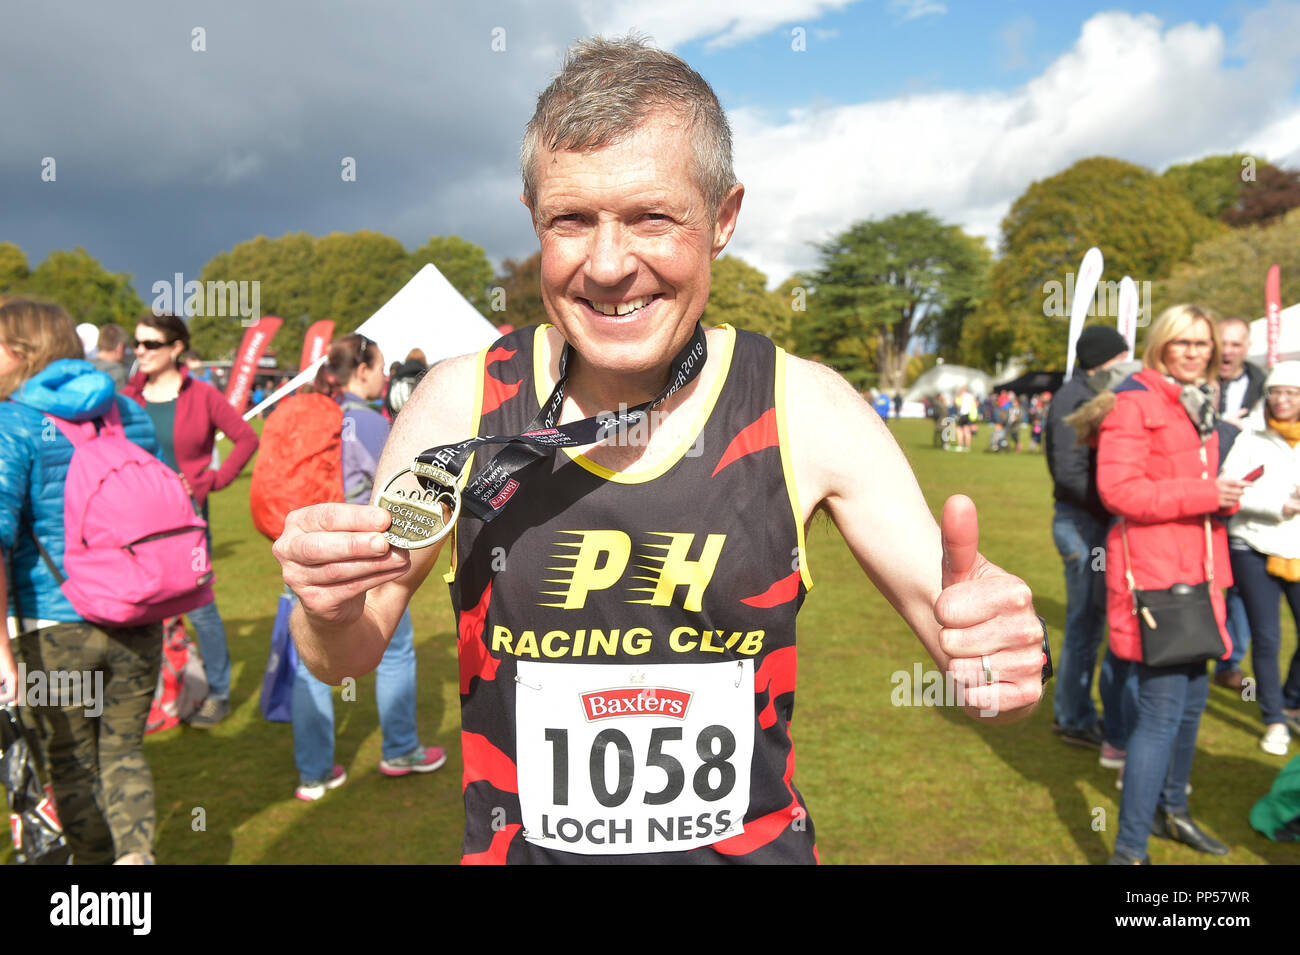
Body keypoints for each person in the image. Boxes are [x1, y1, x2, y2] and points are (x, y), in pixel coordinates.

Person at [273, 36, 1046, 864]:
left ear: (722, 217)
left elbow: (985, 671)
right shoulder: (458, 403)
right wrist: (328, 609)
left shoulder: (805, 408)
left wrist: (1004, 653)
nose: (609, 265)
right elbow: (347, 656)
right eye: (572, 220)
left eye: (651, 216)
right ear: (534, 218)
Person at [0, 296, 163, 863]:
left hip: (52, 622)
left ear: (20, 351)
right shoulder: (126, 409)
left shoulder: (11, 421)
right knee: (123, 753)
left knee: (71, 761)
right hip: (139, 611)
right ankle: (136, 861)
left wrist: (0, 651)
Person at [1097, 304, 1243, 864]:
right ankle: (1130, 851)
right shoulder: (1135, 402)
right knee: (1159, 716)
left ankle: (1173, 812)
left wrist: (1224, 495)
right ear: (1160, 344)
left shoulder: (1196, 403)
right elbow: (1121, 493)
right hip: (1156, 581)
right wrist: (1209, 495)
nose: (1194, 352)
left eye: (1202, 344)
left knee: (1191, 706)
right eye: (1182, 342)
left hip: (1201, 576)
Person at [290, 334, 446, 800]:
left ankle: (314, 772)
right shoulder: (370, 424)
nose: (384, 378)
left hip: (307, 553)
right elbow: (408, 489)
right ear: (360, 371)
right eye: (378, 368)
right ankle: (400, 748)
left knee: (308, 659)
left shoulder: (316, 416)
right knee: (394, 649)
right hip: (365, 559)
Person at [123, 313, 258, 727]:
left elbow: (246, 438)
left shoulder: (201, 395)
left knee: (200, 609)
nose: (140, 352)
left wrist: (210, 480)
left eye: (151, 344)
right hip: (134, 521)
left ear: (176, 348)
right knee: (139, 608)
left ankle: (217, 692)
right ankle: (157, 694)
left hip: (187, 522)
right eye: (137, 344)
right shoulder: (127, 397)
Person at [1045, 326, 1138, 763]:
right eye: (1123, 357)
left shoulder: (1081, 392)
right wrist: (1115, 501)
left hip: (1086, 523)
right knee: (1084, 625)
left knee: (1090, 623)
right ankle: (1074, 717)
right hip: (1082, 526)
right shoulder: (1076, 398)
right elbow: (1069, 472)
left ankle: (1078, 713)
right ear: (1108, 358)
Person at [1220, 360, 1300, 756]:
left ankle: (1290, 700)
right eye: (1276, 392)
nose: (1282, 400)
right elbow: (1232, 488)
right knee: (1267, 638)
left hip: (1298, 549)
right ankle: (1274, 719)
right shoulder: (1251, 437)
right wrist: (1280, 506)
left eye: (1291, 393)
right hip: (1253, 546)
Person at [1212, 316, 1264, 691]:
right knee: (1209, 580)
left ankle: (1230, 660)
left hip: (1247, 502)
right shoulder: (1197, 380)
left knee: (1243, 587)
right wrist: (1221, 423)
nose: (1228, 351)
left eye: (1236, 344)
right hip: (1203, 496)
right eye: (1223, 343)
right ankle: (1199, 647)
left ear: (1247, 347)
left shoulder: (1264, 384)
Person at [91, 323, 130, 390]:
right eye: (125, 348)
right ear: (120, 347)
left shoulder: (86, 366)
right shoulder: (117, 373)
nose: (125, 354)